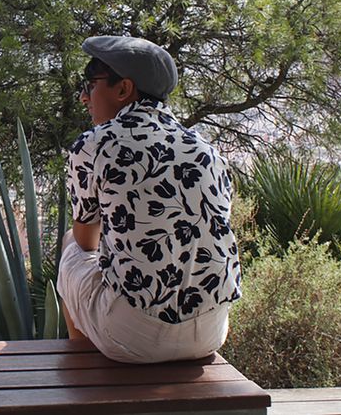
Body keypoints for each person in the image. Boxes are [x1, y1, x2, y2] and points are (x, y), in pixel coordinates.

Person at [57, 35, 241, 364]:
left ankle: (83, 373)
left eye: (90, 84)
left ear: (123, 89)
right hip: (211, 331)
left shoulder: (94, 143)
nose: (85, 97)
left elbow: (87, 240)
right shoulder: (205, 149)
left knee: (71, 243)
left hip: (132, 338)